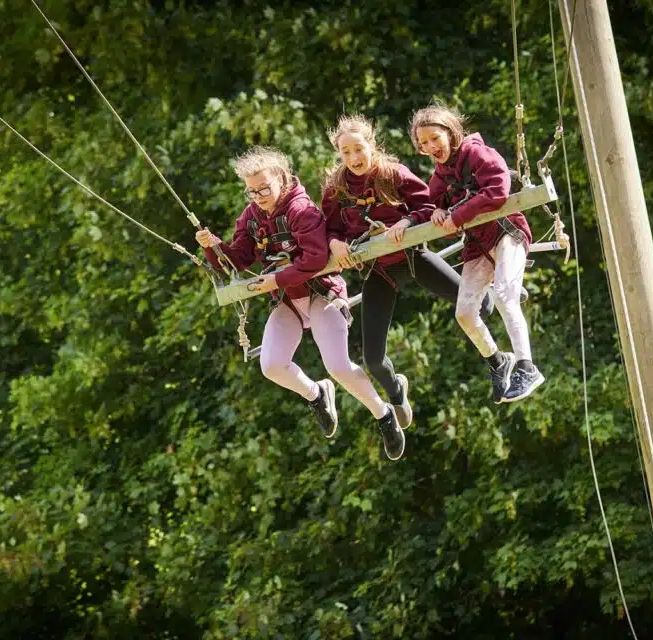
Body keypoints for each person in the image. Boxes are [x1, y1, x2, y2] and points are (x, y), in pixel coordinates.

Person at [195, 146, 405, 460]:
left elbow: (315, 258)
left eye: (264, 188)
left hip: (321, 292)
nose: (259, 196)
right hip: (287, 301)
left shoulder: (301, 210)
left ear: (281, 180)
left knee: (338, 366)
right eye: (252, 191)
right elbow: (237, 260)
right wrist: (214, 247)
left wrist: (276, 280)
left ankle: (384, 415)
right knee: (271, 366)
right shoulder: (251, 217)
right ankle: (316, 393)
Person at [321, 114, 493, 424]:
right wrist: (335, 244)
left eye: (358, 149)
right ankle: (396, 392)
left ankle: (498, 290)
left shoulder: (392, 174)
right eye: (345, 153)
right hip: (380, 272)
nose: (354, 158)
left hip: (413, 257)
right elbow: (329, 230)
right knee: (371, 358)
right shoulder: (336, 189)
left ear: (371, 145)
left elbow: (429, 206)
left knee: (483, 305)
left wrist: (407, 221)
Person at [409, 103, 545, 403]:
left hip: (506, 232)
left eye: (435, 138)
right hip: (477, 245)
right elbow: (434, 206)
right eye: (424, 143)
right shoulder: (439, 178)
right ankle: (498, 361)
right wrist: (438, 213)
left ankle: (527, 365)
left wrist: (456, 217)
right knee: (465, 314)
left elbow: (497, 190)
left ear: (450, 132)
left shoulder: (478, 154)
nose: (431, 146)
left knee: (507, 295)